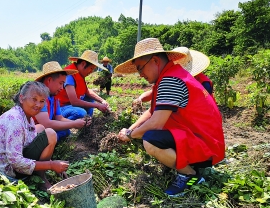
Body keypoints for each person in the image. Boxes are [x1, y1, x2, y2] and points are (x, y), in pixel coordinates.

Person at [115, 38, 225, 197]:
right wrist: (130, 130)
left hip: (207, 147)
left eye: (140, 68)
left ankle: (190, 175)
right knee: (148, 134)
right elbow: (153, 113)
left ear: (155, 61)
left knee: (151, 139)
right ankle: (185, 162)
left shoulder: (171, 80)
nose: (140, 75)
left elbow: (156, 123)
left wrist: (131, 135)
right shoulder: (170, 76)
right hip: (203, 139)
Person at [0, 81, 69, 190]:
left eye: (42, 101)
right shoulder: (15, 121)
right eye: (34, 99)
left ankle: (40, 172)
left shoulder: (25, 115)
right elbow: (16, 162)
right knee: (50, 134)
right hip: (10, 170)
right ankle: (41, 179)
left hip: (12, 161)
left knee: (40, 127)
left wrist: (54, 164)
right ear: (22, 98)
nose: (38, 105)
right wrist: (51, 165)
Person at [133, 47, 214, 106]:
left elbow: (202, 107)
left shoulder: (204, 83)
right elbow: (153, 93)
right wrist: (140, 99)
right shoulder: (172, 82)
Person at [34, 61, 91, 141]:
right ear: (49, 80)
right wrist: (73, 124)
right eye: (60, 83)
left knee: (65, 131)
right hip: (34, 132)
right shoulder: (39, 97)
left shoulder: (54, 97)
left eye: (63, 84)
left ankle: (52, 141)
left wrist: (78, 122)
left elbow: (59, 118)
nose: (62, 88)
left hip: (46, 130)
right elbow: (46, 124)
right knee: (52, 134)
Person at [56, 50, 110, 120]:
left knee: (90, 98)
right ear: (83, 64)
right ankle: (62, 126)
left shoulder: (80, 74)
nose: (91, 72)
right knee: (81, 113)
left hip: (71, 105)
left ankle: (87, 121)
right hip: (62, 107)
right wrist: (97, 105)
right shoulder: (70, 74)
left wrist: (102, 101)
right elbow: (74, 101)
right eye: (91, 68)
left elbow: (87, 92)